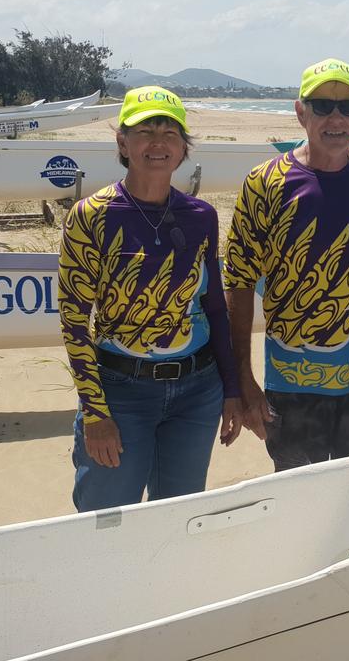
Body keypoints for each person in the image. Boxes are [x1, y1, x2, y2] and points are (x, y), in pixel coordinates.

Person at [224, 58, 349, 471]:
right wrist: (243, 378)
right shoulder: (265, 183)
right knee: (297, 502)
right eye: (322, 106)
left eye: (348, 107)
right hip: (290, 388)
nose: (336, 118)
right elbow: (238, 283)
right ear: (300, 112)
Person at [58, 86, 244, 512]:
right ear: (123, 142)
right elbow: (74, 321)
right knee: (107, 519)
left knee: (177, 518)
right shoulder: (91, 216)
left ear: (183, 147)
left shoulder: (201, 216)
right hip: (120, 392)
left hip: (198, 391)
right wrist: (95, 413)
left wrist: (231, 390)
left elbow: (214, 305)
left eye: (170, 132)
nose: (158, 142)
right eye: (145, 131)